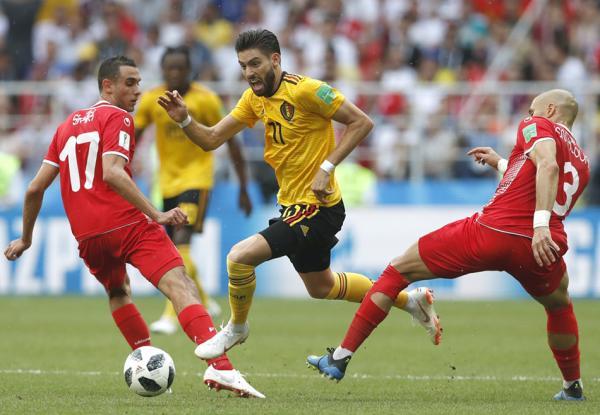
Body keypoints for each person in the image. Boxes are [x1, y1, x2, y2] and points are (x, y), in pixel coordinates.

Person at [157, 29, 442, 361]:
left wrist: (328, 166)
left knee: (238, 258)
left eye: (255, 63)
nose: (248, 72)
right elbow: (211, 139)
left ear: (275, 60)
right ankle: (411, 301)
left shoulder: (308, 91)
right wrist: (185, 120)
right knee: (322, 287)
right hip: (292, 205)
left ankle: (236, 327)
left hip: (317, 207)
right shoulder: (253, 99)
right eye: (242, 65)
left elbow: (361, 122)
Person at [3, 56, 264, 399]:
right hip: (126, 223)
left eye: (139, 82)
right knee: (180, 284)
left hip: (87, 236)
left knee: (117, 292)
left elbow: (35, 188)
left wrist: (26, 237)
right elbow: (112, 172)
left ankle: (144, 358)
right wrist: (156, 214)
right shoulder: (118, 118)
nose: (137, 90)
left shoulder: (66, 126)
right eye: (129, 83)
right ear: (107, 85)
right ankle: (222, 369)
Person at [307, 89, 588, 401]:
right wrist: (500, 163)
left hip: (495, 231)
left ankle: (340, 358)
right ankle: (572, 387)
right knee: (559, 304)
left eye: (534, 110)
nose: (528, 115)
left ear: (550, 109)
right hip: (540, 246)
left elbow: (546, 165)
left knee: (398, 270)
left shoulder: (537, 125)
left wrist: (538, 225)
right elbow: (535, 175)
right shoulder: (581, 160)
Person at [135, 46, 253, 335]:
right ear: (162, 71)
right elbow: (134, 135)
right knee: (178, 246)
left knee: (180, 240)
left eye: (180, 68)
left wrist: (243, 186)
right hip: (167, 183)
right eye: (169, 68)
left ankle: (172, 313)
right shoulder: (153, 99)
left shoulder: (206, 100)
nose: (174, 74)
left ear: (190, 71)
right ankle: (204, 298)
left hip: (197, 180)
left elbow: (232, 141)